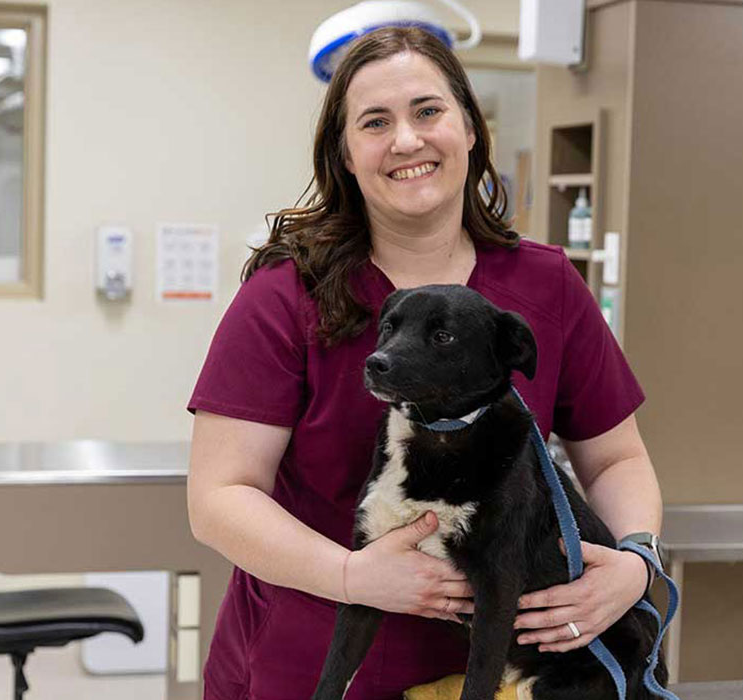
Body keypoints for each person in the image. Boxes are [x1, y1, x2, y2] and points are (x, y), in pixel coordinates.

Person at [187, 26, 665, 700]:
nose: (407, 140)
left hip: (501, 679)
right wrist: (350, 575)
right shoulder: (283, 298)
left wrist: (635, 562)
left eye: (428, 111)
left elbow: (616, 457)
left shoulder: (546, 286)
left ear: (469, 127)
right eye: (375, 122)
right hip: (312, 665)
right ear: (346, 156)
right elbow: (218, 498)